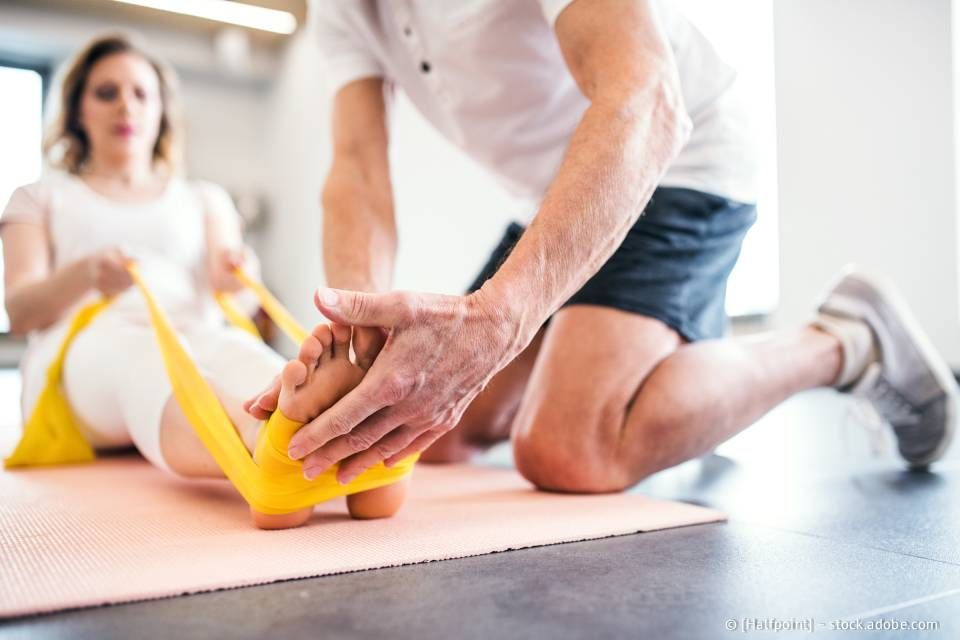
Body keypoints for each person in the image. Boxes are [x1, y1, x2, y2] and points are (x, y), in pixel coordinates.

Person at [246, 0, 956, 490]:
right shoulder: (342, 7)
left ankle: (845, 340)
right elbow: (358, 170)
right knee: (434, 433)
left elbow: (645, 99)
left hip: (678, 159)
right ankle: (665, 375)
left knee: (569, 449)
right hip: (555, 194)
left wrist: (502, 317)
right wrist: (357, 342)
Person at [1, 34, 405, 528]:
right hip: (86, 344)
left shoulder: (203, 199)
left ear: (161, 114)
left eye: (141, 94)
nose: (125, 105)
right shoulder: (38, 198)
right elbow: (20, 311)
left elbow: (228, 281)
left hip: (196, 328)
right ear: (77, 110)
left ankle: (336, 439)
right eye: (106, 93)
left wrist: (238, 271)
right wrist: (86, 274)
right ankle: (267, 449)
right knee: (150, 364)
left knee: (248, 358)